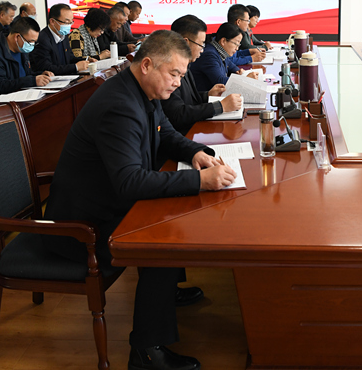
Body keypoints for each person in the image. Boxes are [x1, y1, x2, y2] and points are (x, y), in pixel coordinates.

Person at [42, 30, 237, 370]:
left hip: (105, 202)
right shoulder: (118, 105)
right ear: (147, 65)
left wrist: (196, 153)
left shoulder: (140, 89)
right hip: (82, 225)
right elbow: (130, 183)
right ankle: (146, 351)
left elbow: (167, 133)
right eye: (174, 73)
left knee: (172, 213)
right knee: (163, 238)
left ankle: (164, 293)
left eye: (182, 75)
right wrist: (199, 181)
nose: (178, 82)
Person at [161, 15, 242, 136]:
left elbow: (187, 99)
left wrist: (207, 94)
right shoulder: (169, 69)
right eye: (201, 44)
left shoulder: (186, 64)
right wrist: (220, 106)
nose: (202, 50)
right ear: (185, 42)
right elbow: (177, 114)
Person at [0, 16, 53, 97]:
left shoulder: (21, 49)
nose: (32, 45)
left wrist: (40, 75)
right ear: (17, 37)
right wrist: (32, 81)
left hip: (22, 95)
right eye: (30, 41)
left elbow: (25, 75)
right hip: (3, 100)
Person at [29, 3, 90, 75]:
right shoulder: (42, 39)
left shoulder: (64, 36)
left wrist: (86, 60)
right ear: (52, 21)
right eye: (66, 22)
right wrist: (75, 67)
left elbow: (70, 58)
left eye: (71, 22)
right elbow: (47, 68)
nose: (69, 26)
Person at [190, 22, 245, 92]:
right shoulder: (209, 55)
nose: (237, 48)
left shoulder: (221, 52)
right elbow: (220, 81)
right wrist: (244, 79)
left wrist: (240, 72)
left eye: (238, 45)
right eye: (236, 44)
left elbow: (231, 66)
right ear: (223, 41)